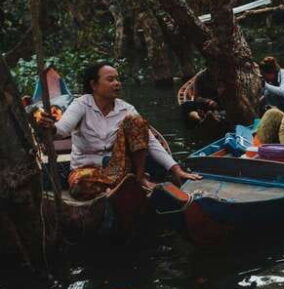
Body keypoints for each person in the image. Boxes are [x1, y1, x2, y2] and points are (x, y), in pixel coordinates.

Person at [36, 62, 200, 201]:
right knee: (81, 187)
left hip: (118, 167)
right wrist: (50, 127)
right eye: (110, 80)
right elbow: (61, 130)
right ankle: (117, 188)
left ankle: (140, 178)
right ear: (94, 85)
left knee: (136, 122)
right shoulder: (81, 104)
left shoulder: (126, 108)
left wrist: (176, 169)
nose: (117, 83)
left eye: (117, 79)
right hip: (86, 169)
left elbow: (150, 141)